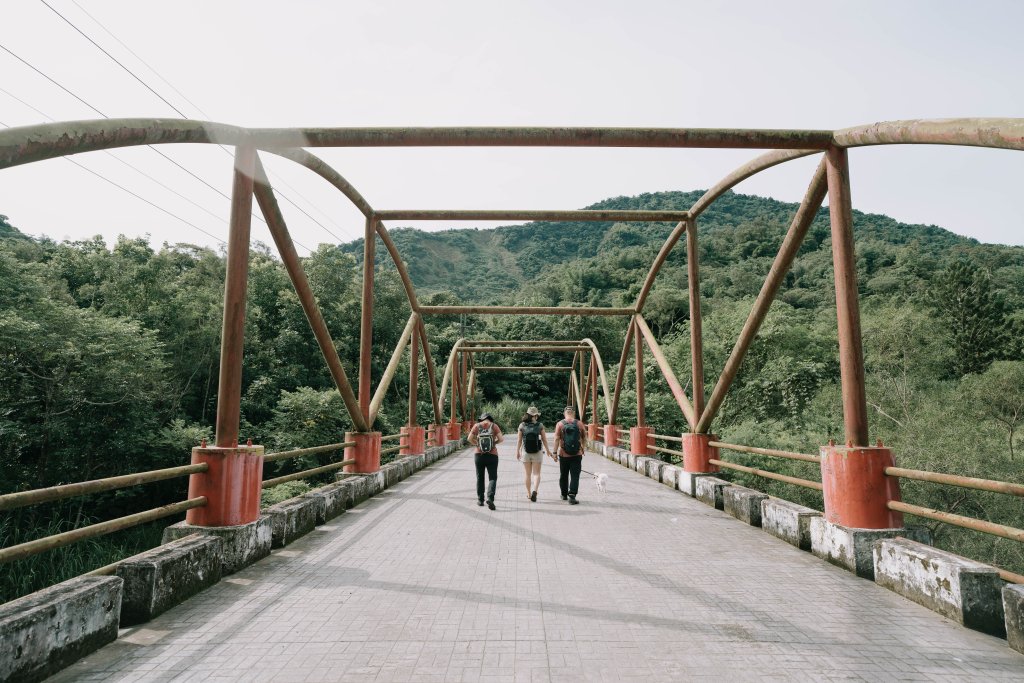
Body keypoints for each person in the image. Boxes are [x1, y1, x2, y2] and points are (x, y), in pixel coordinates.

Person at [515, 406, 555, 502]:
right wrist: (548, 451)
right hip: (537, 452)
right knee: (536, 474)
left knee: (527, 474)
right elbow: (544, 440)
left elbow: (519, 440)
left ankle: (528, 494)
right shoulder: (540, 425)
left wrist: (517, 451)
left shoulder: (522, 425)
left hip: (525, 452)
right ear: (535, 415)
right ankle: (535, 491)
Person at [552, 405, 587, 505]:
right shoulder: (579, 423)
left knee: (564, 475)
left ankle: (563, 494)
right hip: (577, 454)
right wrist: (582, 448)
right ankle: (572, 495)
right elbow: (584, 438)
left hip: (563, 454)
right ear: (574, 413)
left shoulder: (560, 424)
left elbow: (556, 439)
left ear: (564, 413)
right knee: (575, 475)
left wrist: (554, 453)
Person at [468, 412, 503, 510]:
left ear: (482, 419)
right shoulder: (494, 426)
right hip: (492, 455)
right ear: (490, 419)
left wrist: (477, 444)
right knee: (492, 477)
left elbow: (469, 438)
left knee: (480, 477)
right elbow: (501, 439)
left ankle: (480, 500)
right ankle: (490, 498)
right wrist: (494, 443)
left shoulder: (477, 426)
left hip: (479, 455)